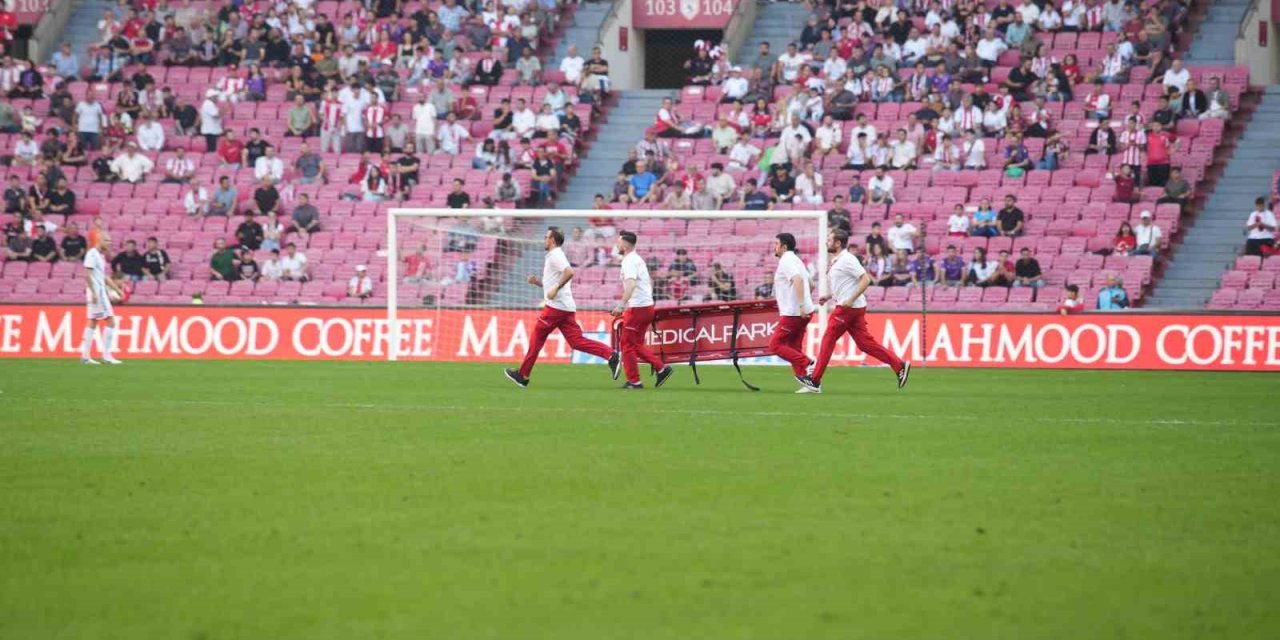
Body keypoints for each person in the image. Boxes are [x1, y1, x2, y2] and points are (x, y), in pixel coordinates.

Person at [505, 228, 621, 388]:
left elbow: (569, 272)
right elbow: (551, 284)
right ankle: (610, 354)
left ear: (552, 239)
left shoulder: (556, 255)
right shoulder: (553, 256)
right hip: (564, 307)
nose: (544, 240)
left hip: (556, 308)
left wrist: (555, 288)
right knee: (576, 342)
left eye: (546, 237)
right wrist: (537, 282)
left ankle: (522, 375)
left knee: (537, 338)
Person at [803, 229, 910, 393]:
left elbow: (865, 279)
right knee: (865, 344)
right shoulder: (839, 260)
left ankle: (815, 380)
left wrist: (851, 299)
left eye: (829, 240)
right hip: (852, 307)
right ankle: (899, 365)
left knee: (828, 339)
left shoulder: (847, 259)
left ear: (838, 243)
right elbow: (847, 284)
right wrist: (830, 295)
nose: (826, 242)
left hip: (848, 308)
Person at [610, 231, 674, 390]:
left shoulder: (629, 261)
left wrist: (621, 305)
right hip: (647, 307)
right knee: (636, 344)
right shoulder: (638, 259)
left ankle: (634, 381)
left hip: (637, 308)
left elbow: (631, 284)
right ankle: (662, 368)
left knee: (626, 344)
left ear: (624, 245)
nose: (617, 245)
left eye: (618, 242)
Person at [769, 233, 817, 391]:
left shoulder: (786, 260)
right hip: (805, 311)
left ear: (784, 246)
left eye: (776, 243)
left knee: (775, 345)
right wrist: (805, 302)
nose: (774, 246)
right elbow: (811, 283)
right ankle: (811, 384)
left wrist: (801, 304)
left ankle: (809, 363)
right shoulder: (797, 260)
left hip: (794, 313)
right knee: (794, 348)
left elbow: (798, 280)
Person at [80, 232, 124, 365]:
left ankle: (85, 356)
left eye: (110, 240)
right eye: (107, 240)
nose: (110, 243)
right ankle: (106, 355)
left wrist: (117, 289)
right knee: (111, 322)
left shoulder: (100, 256)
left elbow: (103, 276)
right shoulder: (92, 254)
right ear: (100, 240)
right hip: (97, 292)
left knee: (92, 321)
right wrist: (93, 292)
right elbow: (86, 274)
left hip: (97, 291)